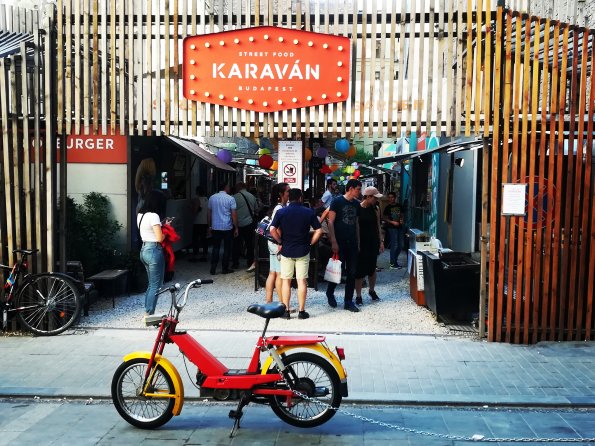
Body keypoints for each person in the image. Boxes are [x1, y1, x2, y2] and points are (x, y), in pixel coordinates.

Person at [270, 188, 322, 320]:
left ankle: (286, 311)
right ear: (300, 198)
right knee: (302, 281)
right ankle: (301, 311)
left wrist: (280, 241)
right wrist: (311, 243)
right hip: (303, 250)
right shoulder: (309, 212)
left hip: (286, 250)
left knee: (286, 281)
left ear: (289, 197)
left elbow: (272, 229)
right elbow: (319, 230)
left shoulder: (281, 212)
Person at [326, 178, 362, 313]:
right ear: (351, 188)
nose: (359, 192)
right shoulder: (337, 201)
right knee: (337, 271)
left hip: (352, 242)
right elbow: (330, 222)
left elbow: (357, 223)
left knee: (352, 272)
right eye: (358, 189)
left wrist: (358, 242)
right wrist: (333, 241)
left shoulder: (357, 205)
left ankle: (348, 301)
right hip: (340, 242)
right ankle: (330, 292)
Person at [137, 190, 167, 321]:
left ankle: (147, 311)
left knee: (151, 284)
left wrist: (163, 225)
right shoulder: (154, 216)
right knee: (156, 285)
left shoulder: (140, 215)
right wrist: (166, 231)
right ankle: (148, 314)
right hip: (154, 250)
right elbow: (160, 238)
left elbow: (149, 231)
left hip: (144, 249)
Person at [354, 186, 384, 305]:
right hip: (362, 242)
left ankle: (371, 290)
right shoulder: (358, 208)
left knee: (372, 267)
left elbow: (378, 225)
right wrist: (358, 243)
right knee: (360, 269)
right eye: (375, 198)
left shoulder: (375, 208)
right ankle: (358, 295)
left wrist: (381, 241)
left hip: (373, 241)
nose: (377, 200)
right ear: (369, 197)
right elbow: (357, 227)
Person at [264, 182, 289, 303]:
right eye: (287, 191)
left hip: (272, 243)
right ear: (281, 194)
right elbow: (274, 228)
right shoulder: (280, 208)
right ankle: (282, 303)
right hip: (276, 244)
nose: (289, 194)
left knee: (272, 272)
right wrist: (280, 242)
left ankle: (269, 300)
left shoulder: (277, 207)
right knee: (279, 274)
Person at [207, 183, 238, 275]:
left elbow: (209, 213)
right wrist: (236, 227)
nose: (229, 188)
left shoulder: (212, 198)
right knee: (227, 249)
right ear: (225, 187)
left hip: (215, 227)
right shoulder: (231, 198)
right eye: (228, 186)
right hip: (227, 227)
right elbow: (234, 214)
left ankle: (213, 268)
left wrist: (209, 226)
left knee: (215, 248)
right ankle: (225, 268)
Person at [232, 182, 258, 272]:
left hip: (237, 224)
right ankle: (250, 262)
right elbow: (256, 209)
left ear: (239, 187)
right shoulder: (252, 196)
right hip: (249, 223)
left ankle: (235, 262)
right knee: (249, 244)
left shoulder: (234, 197)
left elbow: (232, 211)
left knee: (236, 244)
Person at [383, 191, 404, 269]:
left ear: (395, 198)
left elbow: (402, 214)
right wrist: (392, 222)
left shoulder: (399, 205)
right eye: (389, 197)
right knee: (394, 245)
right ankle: (392, 263)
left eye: (392, 197)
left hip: (400, 227)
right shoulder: (387, 207)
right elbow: (384, 218)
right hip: (391, 228)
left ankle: (394, 260)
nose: (391, 199)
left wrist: (401, 220)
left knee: (401, 245)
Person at [190, 186, 209, 261]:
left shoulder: (196, 200)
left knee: (195, 239)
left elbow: (194, 211)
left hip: (197, 222)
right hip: (205, 222)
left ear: (197, 192)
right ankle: (204, 255)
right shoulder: (207, 199)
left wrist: (190, 207)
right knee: (204, 239)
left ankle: (195, 255)